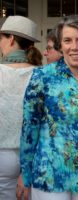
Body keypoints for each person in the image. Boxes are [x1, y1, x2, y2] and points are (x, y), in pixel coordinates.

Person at [20, 15, 78, 200]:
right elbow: (29, 128)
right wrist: (25, 174)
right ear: (60, 45)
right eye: (67, 40)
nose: (74, 47)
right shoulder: (42, 76)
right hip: (50, 173)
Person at [0, 15, 42, 200]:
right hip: (35, 152)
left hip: (3, 151)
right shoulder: (41, 73)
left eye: (1, 38)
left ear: (10, 39)